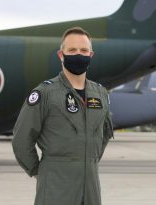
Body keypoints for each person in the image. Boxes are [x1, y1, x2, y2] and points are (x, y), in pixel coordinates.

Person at [12, 27, 113, 205]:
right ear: (61, 55)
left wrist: (87, 161)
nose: (78, 54)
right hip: (55, 188)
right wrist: (40, 171)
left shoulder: (100, 94)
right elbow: (21, 139)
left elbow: (103, 136)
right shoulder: (45, 93)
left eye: (83, 50)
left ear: (91, 55)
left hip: (90, 189)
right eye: (72, 50)